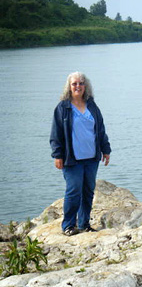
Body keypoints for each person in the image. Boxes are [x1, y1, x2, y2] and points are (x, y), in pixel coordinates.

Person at [50, 72, 111, 236]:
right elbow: (56, 135)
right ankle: (68, 225)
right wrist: (57, 155)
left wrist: (106, 149)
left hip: (91, 158)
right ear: (69, 87)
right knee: (73, 191)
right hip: (72, 159)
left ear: (86, 86)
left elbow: (100, 129)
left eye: (81, 83)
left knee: (88, 191)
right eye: (74, 83)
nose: (78, 86)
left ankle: (84, 224)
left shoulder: (92, 106)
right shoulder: (63, 108)